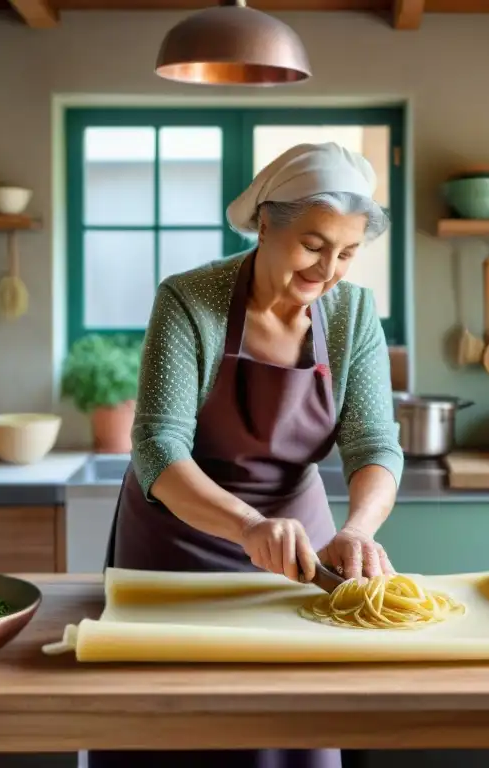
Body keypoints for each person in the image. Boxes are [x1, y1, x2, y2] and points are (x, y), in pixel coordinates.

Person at [89, 141, 404, 768]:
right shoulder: (189, 300)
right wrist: (247, 526)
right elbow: (157, 447)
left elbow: (374, 445)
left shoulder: (354, 314)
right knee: (172, 736)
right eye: (313, 245)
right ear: (266, 223)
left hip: (299, 555)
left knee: (290, 733)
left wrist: (358, 529)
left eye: (346, 253)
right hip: (175, 544)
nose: (328, 270)